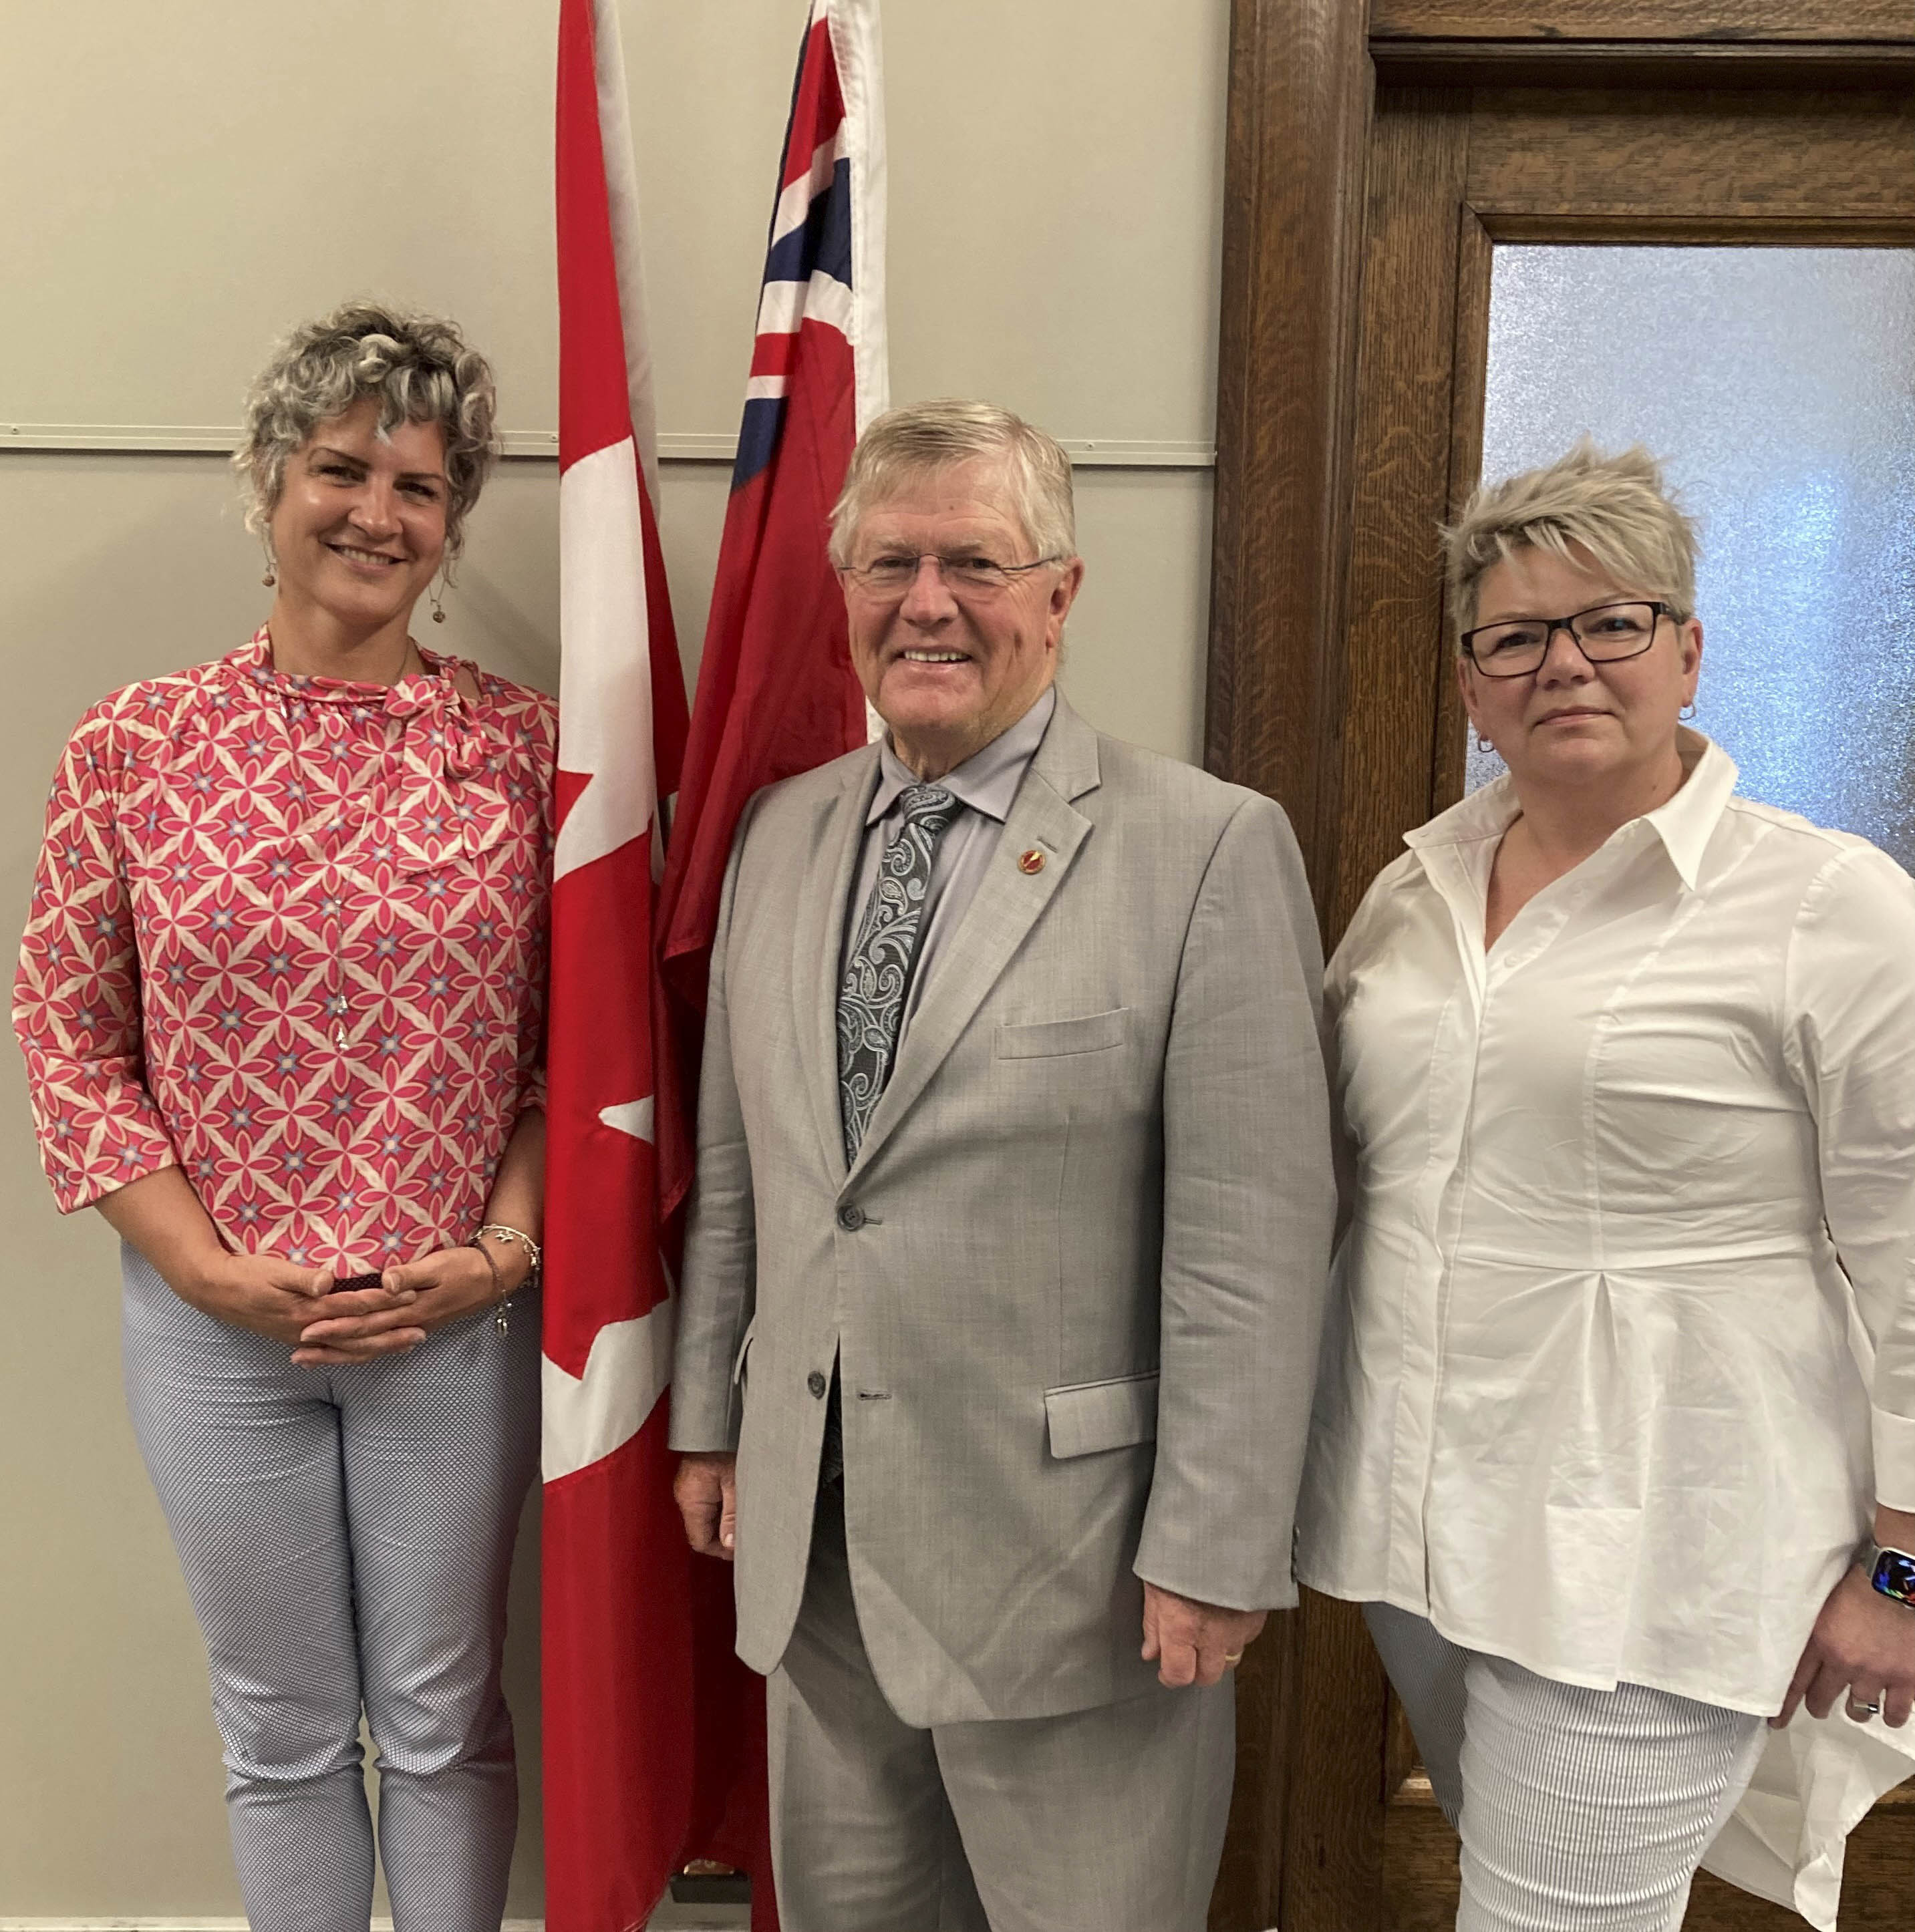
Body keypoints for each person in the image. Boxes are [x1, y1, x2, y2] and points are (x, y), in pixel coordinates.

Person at [668, 399, 1336, 1931]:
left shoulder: (1204, 849)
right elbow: (745, 1167)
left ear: (1058, 592)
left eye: (973, 561)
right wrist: (711, 1418)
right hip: (815, 1551)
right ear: (843, 596)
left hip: (1079, 1576)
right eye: (890, 563)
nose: (926, 604)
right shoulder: (779, 833)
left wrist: (1218, 1545)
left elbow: (1251, 1238)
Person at [1295, 440, 1915, 1930]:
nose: (1560, 663)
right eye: (1511, 635)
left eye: (1609, 622)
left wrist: (1902, 1570)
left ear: (1687, 649)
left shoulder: (1826, 907)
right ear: (1466, 682)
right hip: (1417, 1531)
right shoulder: (1412, 888)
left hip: (1660, 1553)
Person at [13, 302, 555, 1932]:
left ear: (453, 524)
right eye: (341, 467)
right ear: (269, 481)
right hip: (214, 1333)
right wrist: (199, 1271)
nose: (375, 514)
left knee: (446, 1721)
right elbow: (63, 1035)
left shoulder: (517, 752)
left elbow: (563, 1052)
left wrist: (502, 1256)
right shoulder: (135, 746)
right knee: (281, 1730)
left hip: (448, 1329)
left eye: (420, 484)